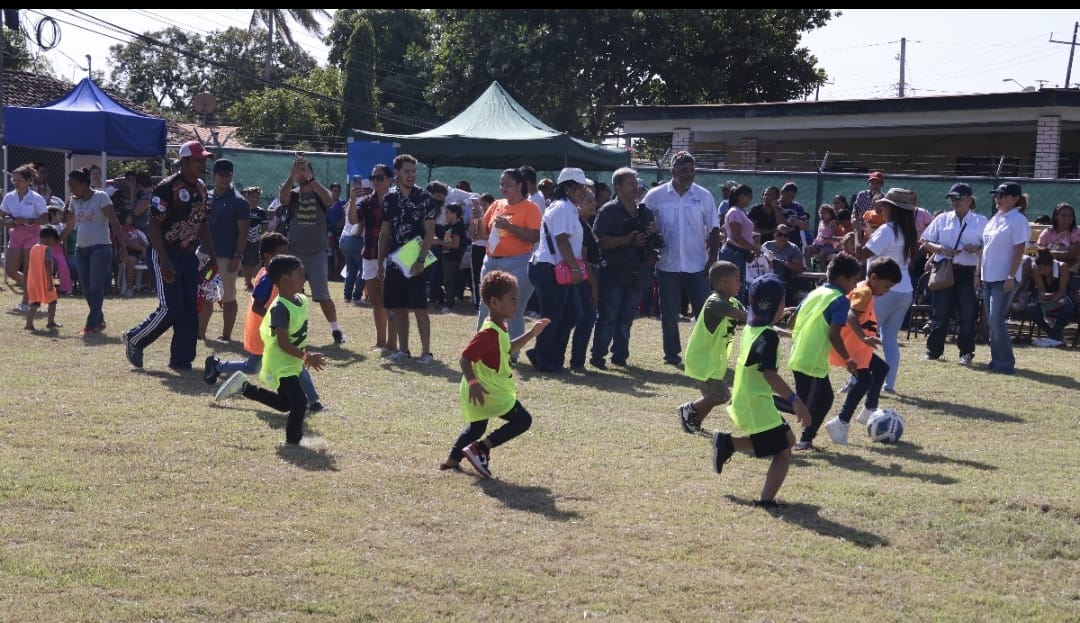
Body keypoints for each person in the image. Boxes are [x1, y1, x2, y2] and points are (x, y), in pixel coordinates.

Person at [709, 274, 811, 509]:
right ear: (774, 305)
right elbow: (769, 374)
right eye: (783, 303)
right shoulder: (767, 336)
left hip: (749, 396)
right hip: (756, 401)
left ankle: (728, 443)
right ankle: (766, 500)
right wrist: (795, 401)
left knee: (784, 441)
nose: (785, 307)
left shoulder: (753, 328)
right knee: (784, 449)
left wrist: (778, 327)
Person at [438, 269, 549, 477]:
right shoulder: (489, 333)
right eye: (512, 299)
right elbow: (465, 358)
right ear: (495, 303)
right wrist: (473, 383)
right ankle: (482, 448)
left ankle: (452, 461)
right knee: (523, 420)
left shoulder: (500, 327)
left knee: (476, 428)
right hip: (486, 390)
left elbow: (507, 349)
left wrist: (532, 334)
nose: (517, 302)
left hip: (485, 388)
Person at [212, 254, 327, 447]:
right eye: (299, 275)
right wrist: (307, 357)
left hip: (292, 361)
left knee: (285, 404)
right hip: (281, 362)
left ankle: (244, 388)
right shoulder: (280, 309)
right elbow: (283, 343)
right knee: (299, 402)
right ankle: (293, 442)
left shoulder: (300, 299)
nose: (304, 278)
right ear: (285, 280)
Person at [123, 140, 218, 371]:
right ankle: (135, 338)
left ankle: (181, 361)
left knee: (189, 310)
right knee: (171, 308)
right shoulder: (168, 187)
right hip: (164, 253)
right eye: (198, 160)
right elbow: (153, 224)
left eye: (204, 160)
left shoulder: (202, 189)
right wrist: (164, 260)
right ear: (184, 161)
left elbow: (202, 224)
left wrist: (213, 255)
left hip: (188, 255)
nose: (202, 163)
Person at [206, 232, 324, 412]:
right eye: (282, 252)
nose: (287, 255)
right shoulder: (268, 278)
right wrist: (280, 321)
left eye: (287, 251)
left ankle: (218, 365)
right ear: (268, 256)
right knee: (294, 362)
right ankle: (314, 401)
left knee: (253, 366)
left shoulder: (277, 275)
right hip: (268, 331)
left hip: (273, 330)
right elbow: (257, 306)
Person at [642, 151, 721, 366]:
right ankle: (672, 355)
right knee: (669, 314)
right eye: (684, 170)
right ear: (672, 171)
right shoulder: (655, 196)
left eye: (692, 171)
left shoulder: (703, 196)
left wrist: (712, 259)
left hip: (698, 266)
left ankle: (705, 355)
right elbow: (643, 223)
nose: (689, 175)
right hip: (668, 265)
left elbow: (714, 229)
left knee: (704, 314)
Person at [822, 256, 902, 446]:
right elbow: (850, 313)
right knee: (865, 380)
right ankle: (840, 422)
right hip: (851, 345)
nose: (887, 290)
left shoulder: (866, 291)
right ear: (873, 277)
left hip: (859, 347)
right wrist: (863, 337)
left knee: (881, 369)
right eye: (887, 285)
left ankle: (869, 411)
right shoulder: (864, 291)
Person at [787, 253, 862, 451]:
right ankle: (762, 401)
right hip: (810, 361)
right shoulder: (840, 300)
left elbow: (791, 322)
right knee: (803, 406)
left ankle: (805, 441)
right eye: (854, 281)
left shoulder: (816, 293)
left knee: (825, 399)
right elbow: (834, 335)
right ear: (842, 279)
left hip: (803, 356)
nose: (855, 286)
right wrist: (848, 360)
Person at [525, 167, 592, 373]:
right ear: (568, 188)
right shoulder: (563, 208)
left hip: (554, 267)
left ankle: (545, 354)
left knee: (572, 313)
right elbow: (562, 241)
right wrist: (575, 269)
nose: (583, 191)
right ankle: (546, 361)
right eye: (579, 187)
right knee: (552, 316)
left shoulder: (567, 207)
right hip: (549, 267)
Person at [852, 188, 918, 393]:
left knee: (862, 336)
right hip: (904, 290)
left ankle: (856, 381)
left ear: (892, 208)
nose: (882, 208)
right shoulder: (907, 231)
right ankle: (888, 384)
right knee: (889, 338)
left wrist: (856, 231)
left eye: (885, 206)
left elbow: (860, 254)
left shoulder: (887, 230)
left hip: (883, 291)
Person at [591, 166, 657, 368]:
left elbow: (654, 240)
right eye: (631, 183)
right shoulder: (609, 211)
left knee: (627, 317)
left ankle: (620, 356)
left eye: (636, 183)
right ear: (618, 187)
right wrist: (627, 240)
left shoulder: (644, 212)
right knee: (609, 316)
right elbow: (599, 241)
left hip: (639, 272)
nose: (636, 187)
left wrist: (651, 237)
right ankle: (598, 356)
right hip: (613, 271)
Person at [376, 154, 439, 363]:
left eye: (413, 171)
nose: (411, 175)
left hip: (417, 258)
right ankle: (403, 349)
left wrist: (420, 261)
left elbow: (430, 232)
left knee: (419, 306)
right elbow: (385, 232)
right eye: (407, 171)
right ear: (397, 173)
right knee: (399, 306)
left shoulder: (425, 198)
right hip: (395, 260)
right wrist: (380, 262)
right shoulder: (389, 198)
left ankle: (426, 352)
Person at [474, 168, 543, 353]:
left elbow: (535, 236)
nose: (503, 188)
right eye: (501, 184)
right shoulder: (497, 204)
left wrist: (510, 227)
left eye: (508, 185)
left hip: (518, 263)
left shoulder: (531, 208)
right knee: (485, 306)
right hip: (491, 261)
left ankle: (511, 353)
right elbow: (482, 234)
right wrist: (477, 218)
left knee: (513, 309)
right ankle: (482, 349)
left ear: (520, 186)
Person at [278, 153, 344, 344]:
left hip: (317, 253)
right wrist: (292, 177)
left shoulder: (319, 194)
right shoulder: (292, 194)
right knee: (291, 294)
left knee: (322, 295)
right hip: (295, 253)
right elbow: (282, 199)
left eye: (305, 170)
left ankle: (336, 330)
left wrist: (311, 178)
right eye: (300, 170)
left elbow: (330, 200)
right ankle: (289, 331)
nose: (303, 174)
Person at [919, 183, 987, 365]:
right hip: (945, 270)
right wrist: (940, 248)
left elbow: (987, 248)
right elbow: (925, 240)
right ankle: (933, 351)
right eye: (952, 198)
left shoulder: (981, 221)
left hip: (968, 272)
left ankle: (966, 353)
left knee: (967, 314)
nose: (954, 202)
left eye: (958, 198)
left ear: (969, 200)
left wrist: (975, 249)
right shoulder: (942, 219)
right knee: (940, 313)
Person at [677, 260, 746, 433]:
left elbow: (750, 316)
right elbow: (749, 317)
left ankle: (693, 421)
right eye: (736, 279)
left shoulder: (732, 302)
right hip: (702, 359)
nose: (740, 283)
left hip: (712, 360)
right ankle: (688, 409)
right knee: (721, 395)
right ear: (723, 281)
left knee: (714, 395)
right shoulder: (715, 302)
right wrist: (771, 314)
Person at [975, 182, 1030, 374]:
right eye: (996, 195)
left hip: (1004, 278)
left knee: (995, 319)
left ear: (1015, 198)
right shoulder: (995, 219)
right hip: (988, 277)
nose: (997, 199)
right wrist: (977, 273)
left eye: (1002, 195)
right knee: (992, 321)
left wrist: (1010, 276)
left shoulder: (1018, 220)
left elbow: (1019, 250)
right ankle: (997, 360)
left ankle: (1005, 363)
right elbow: (985, 249)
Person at [65, 168, 124, 336]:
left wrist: (122, 248)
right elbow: (69, 226)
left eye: (73, 185)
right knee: (85, 288)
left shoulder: (101, 197)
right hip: (81, 248)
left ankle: (90, 325)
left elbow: (114, 222)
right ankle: (100, 320)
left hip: (101, 247)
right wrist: (55, 241)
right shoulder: (74, 201)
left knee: (95, 286)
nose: (71, 189)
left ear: (84, 184)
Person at [206, 158, 250, 343]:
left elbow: (243, 232)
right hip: (205, 256)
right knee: (204, 293)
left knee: (228, 296)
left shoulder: (239, 201)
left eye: (228, 175)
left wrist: (237, 256)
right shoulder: (206, 196)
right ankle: (200, 333)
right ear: (214, 175)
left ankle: (226, 335)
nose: (225, 179)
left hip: (226, 257)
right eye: (221, 175)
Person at [2, 163, 49, 312]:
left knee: (29, 270)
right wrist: (6, 221)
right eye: (13, 180)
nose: (16, 183)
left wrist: (28, 221)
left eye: (19, 180)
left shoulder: (36, 198)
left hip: (32, 235)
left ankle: (26, 302)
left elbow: (45, 219)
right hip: (15, 235)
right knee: (10, 270)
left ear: (29, 181)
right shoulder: (9, 197)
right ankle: (33, 285)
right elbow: (1, 215)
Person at [717, 183, 760, 303]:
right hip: (733, 253)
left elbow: (742, 233)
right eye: (749, 197)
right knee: (731, 287)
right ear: (741, 196)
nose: (750, 200)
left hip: (739, 253)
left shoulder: (741, 212)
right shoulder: (735, 212)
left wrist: (753, 237)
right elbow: (736, 236)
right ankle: (730, 315)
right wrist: (753, 247)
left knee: (737, 287)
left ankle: (736, 317)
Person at [1027, 247, 1075, 347]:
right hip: (1046, 299)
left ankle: (1053, 336)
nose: (1042, 272)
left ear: (1052, 265)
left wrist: (1052, 300)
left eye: (1045, 269)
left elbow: (1062, 290)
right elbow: (1041, 290)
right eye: (1040, 269)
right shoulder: (1036, 269)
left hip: (1062, 297)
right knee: (1031, 308)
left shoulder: (1062, 267)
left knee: (1068, 309)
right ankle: (1053, 336)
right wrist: (1044, 296)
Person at [23, 225, 61, 331]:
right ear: (48, 239)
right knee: (53, 301)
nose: (54, 244)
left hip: (33, 281)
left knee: (34, 303)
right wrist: (49, 281)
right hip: (44, 280)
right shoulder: (47, 249)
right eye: (54, 240)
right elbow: (47, 265)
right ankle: (50, 322)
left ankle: (28, 325)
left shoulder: (34, 248)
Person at [338, 177, 366, 306]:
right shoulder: (365, 201)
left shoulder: (351, 201)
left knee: (351, 269)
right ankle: (357, 296)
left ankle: (347, 296)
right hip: (356, 238)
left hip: (344, 239)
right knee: (363, 269)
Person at [761, 224, 805, 303]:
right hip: (764, 278)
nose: (783, 238)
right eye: (780, 235)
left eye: (786, 235)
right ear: (775, 235)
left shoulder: (793, 248)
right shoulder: (767, 245)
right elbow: (757, 258)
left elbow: (800, 268)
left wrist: (784, 262)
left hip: (784, 281)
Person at [1036, 202, 1080, 273]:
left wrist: (1052, 253)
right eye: (1064, 216)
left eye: (1070, 216)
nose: (1067, 218)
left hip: (1070, 265)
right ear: (1056, 216)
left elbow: (1073, 254)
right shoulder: (1047, 232)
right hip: (1048, 265)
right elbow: (1039, 250)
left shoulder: (1075, 232)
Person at [240, 187, 267, 291]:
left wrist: (262, 234)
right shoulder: (242, 209)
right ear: (247, 197)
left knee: (255, 261)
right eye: (252, 196)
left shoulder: (261, 211)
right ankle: (248, 282)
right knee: (246, 260)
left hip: (256, 239)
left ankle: (252, 280)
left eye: (257, 197)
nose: (254, 199)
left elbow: (264, 226)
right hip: (244, 238)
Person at [119, 209, 148, 298]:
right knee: (131, 261)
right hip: (129, 252)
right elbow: (129, 243)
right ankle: (129, 288)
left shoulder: (133, 228)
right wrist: (143, 249)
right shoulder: (122, 229)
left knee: (154, 257)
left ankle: (148, 286)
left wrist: (146, 248)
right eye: (129, 216)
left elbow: (141, 240)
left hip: (140, 251)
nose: (131, 218)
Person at [805, 204, 841, 270]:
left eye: (825, 213)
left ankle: (822, 273)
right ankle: (809, 268)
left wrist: (829, 237)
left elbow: (837, 235)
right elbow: (819, 234)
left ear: (831, 215)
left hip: (828, 246)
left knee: (821, 255)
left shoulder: (832, 223)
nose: (822, 215)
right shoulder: (820, 222)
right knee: (807, 249)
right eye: (821, 213)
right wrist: (815, 243)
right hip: (819, 245)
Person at [325, 181, 347, 281]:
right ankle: (329, 276)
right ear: (330, 191)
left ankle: (338, 276)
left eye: (338, 191)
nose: (336, 193)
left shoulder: (342, 203)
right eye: (334, 191)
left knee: (341, 254)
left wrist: (342, 221)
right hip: (328, 232)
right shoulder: (326, 203)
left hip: (339, 232)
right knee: (329, 255)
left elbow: (346, 215)